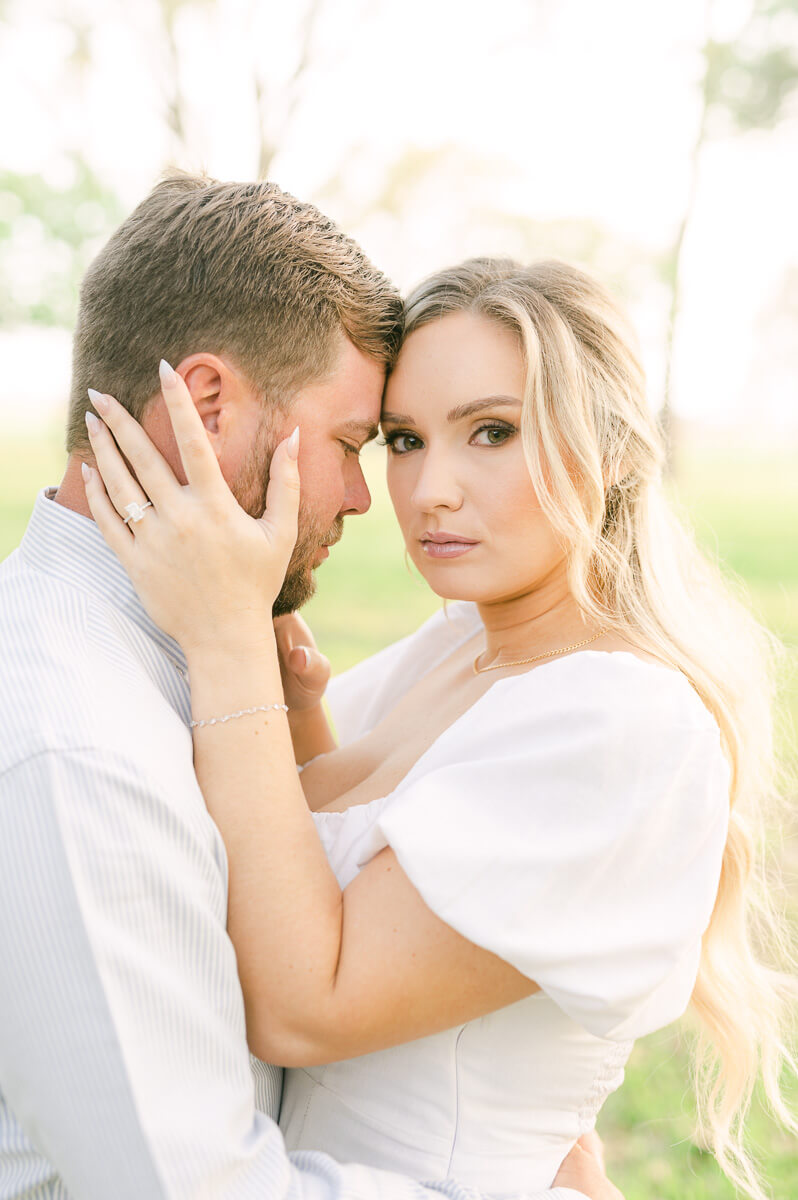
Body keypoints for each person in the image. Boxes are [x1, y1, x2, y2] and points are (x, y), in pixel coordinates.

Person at [78, 255, 797, 1199]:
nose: (429, 492)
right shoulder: (461, 643)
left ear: (615, 450)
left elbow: (306, 1006)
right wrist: (293, 713)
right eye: (405, 440)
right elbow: (355, 867)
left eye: (491, 432)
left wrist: (228, 654)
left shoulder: (624, 724)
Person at [0, 175, 612, 1200]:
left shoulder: (160, 664)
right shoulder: (78, 745)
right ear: (206, 405)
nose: (370, 496)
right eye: (351, 443)